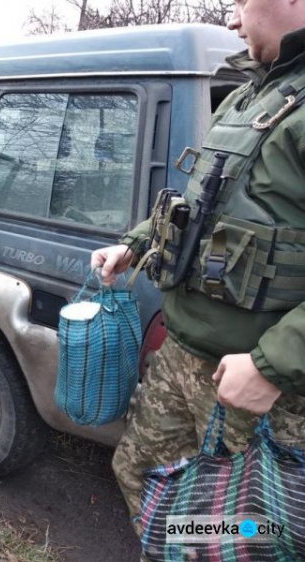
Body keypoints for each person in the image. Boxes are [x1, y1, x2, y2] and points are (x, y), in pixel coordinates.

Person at [91, 0, 305, 547]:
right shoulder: (246, 95)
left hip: (259, 391)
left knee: (248, 533)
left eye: (239, 3)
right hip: (182, 358)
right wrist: (133, 246)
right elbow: (198, 208)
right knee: (140, 478)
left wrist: (271, 366)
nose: (231, 19)